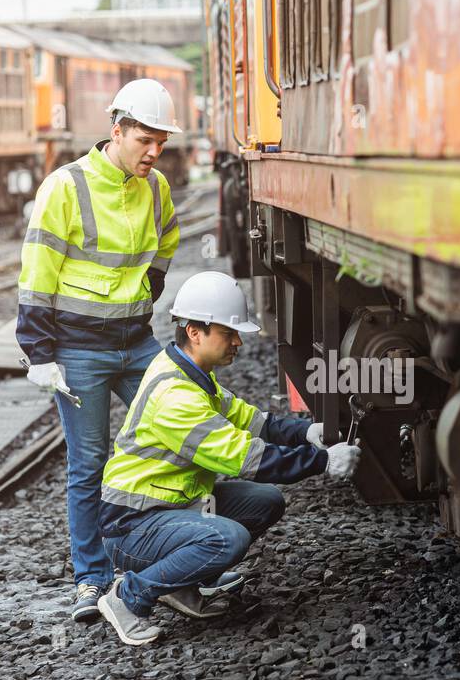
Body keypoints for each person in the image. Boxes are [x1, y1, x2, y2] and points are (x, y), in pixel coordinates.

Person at [95, 271, 362, 646]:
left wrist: (304, 432)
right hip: (132, 526)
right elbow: (247, 458)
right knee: (226, 539)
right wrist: (323, 462)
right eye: (228, 332)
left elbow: (251, 420)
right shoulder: (177, 398)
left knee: (265, 501)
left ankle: (180, 582)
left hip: (169, 508)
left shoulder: (191, 374)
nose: (238, 342)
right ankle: (128, 598)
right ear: (194, 332)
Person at [16, 78, 183, 623]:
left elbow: (167, 241)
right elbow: (38, 269)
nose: (154, 152)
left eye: (162, 142)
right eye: (145, 140)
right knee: (89, 465)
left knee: (178, 437)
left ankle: (175, 558)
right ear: (117, 131)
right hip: (79, 352)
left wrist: (145, 292)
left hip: (136, 343)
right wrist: (38, 353)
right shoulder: (65, 187)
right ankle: (91, 579)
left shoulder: (155, 189)